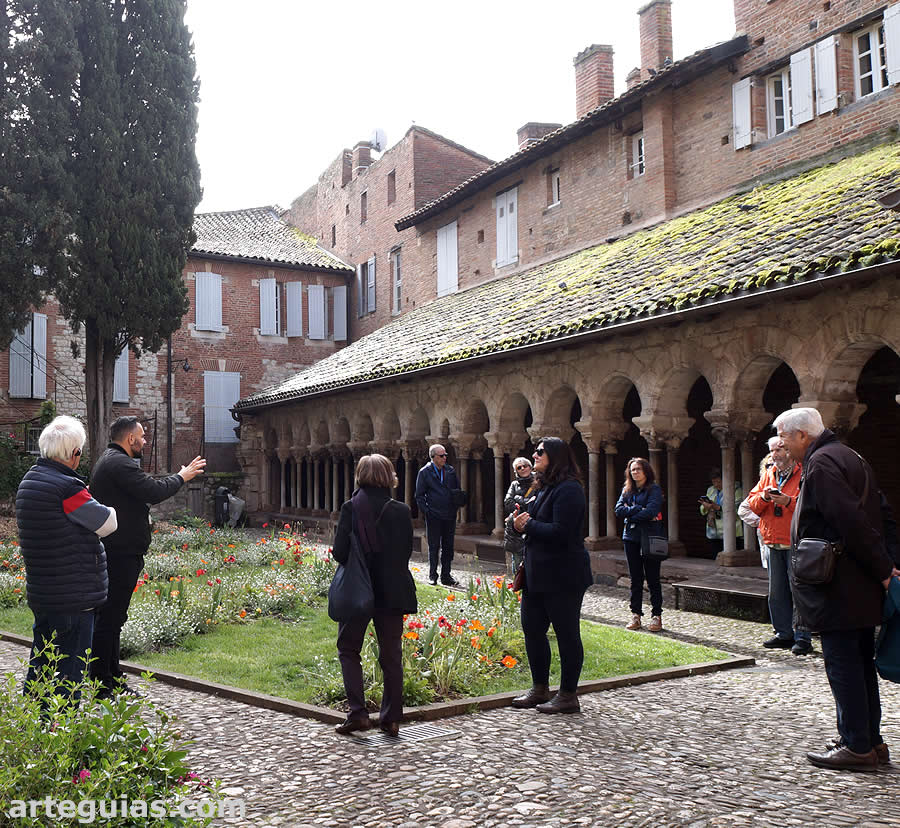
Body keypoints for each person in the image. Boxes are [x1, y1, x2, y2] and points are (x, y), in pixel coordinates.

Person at [774, 407, 899, 771]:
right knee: (858, 664)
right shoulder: (850, 456)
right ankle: (871, 742)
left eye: (783, 436)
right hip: (856, 582)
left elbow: (851, 521)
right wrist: (888, 563)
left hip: (838, 585)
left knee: (843, 665)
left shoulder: (822, 463)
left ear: (802, 436)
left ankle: (856, 746)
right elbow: (884, 513)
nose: (779, 444)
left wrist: (885, 570)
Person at [89, 416, 206, 697]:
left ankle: (110, 676)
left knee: (113, 617)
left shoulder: (112, 461)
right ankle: (102, 682)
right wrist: (183, 476)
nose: (145, 441)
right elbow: (152, 491)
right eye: (142, 436)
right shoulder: (120, 463)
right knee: (110, 618)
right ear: (130, 439)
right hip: (120, 553)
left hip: (118, 549)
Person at [16, 416, 117, 699]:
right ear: (74, 454)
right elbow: (107, 523)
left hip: (44, 593)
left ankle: (35, 728)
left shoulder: (29, 481)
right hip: (74, 596)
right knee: (69, 673)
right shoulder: (66, 488)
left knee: (42, 664)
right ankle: (61, 732)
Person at [332, 454, 417, 737]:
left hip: (359, 590)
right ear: (388, 476)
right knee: (391, 654)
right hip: (393, 591)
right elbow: (406, 552)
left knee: (348, 649)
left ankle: (357, 714)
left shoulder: (350, 508)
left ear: (359, 475)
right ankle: (391, 718)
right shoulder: (402, 510)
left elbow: (340, 553)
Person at [510, 437, 592, 714]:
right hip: (537, 574)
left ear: (555, 457)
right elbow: (532, 524)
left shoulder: (569, 490)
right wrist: (520, 521)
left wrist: (530, 524)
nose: (534, 455)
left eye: (540, 452)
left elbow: (563, 532)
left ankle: (568, 695)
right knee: (532, 630)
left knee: (567, 634)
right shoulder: (544, 488)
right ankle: (540, 689)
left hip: (563, 574)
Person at [746, 436, 810, 655]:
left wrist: (788, 502)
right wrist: (765, 497)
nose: (775, 455)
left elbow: (810, 505)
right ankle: (783, 634)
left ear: (790, 451)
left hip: (795, 543)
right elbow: (752, 504)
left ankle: (802, 637)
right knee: (777, 593)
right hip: (773, 541)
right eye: (772, 451)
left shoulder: (803, 473)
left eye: (779, 450)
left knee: (799, 591)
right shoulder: (768, 474)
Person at [614, 457, 665, 632]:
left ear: (646, 471)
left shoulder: (654, 489)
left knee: (652, 578)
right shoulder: (627, 490)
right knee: (635, 578)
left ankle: (656, 616)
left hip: (650, 537)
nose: (635, 472)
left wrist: (631, 512)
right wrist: (638, 510)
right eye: (632, 469)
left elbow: (652, 510)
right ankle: (636, 615)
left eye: (638, 469)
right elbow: (618, 510)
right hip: (631, 537)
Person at [414, 443, 461, 587]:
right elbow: (419, 495)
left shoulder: (450, 471)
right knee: (434, 546)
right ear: (433, 457)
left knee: (448, 546)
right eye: (442, 456)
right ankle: (432, 575)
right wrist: (427, 511)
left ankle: (446, 575)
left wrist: (456, 506)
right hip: (433, 515)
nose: (445, 458)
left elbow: (457, 490)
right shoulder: (425, 472)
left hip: (449, 514)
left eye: (446, 455)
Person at [503, 457, 537, 577]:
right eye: (519, 467)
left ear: (530, 466)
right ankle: (518, 590)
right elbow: (508, 502)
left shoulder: (538, 481)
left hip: (533, 523)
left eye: (525, 465)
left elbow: (537, 502)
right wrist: (524, 501)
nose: (523, 468)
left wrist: (518, 499)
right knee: (517, 561)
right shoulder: (514, 484)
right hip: (517, 527)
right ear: (516, 471)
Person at [699, 468, 743, 559]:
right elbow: (702, 510)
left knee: (731, 558)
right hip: (714, 530)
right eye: (713, 482)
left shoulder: (736, 490)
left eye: (718, 482)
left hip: (731, 530)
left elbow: (739, 509)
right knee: (716, 557)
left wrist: (718, 507)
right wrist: (705, 506)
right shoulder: (711, 490)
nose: (716, 485)